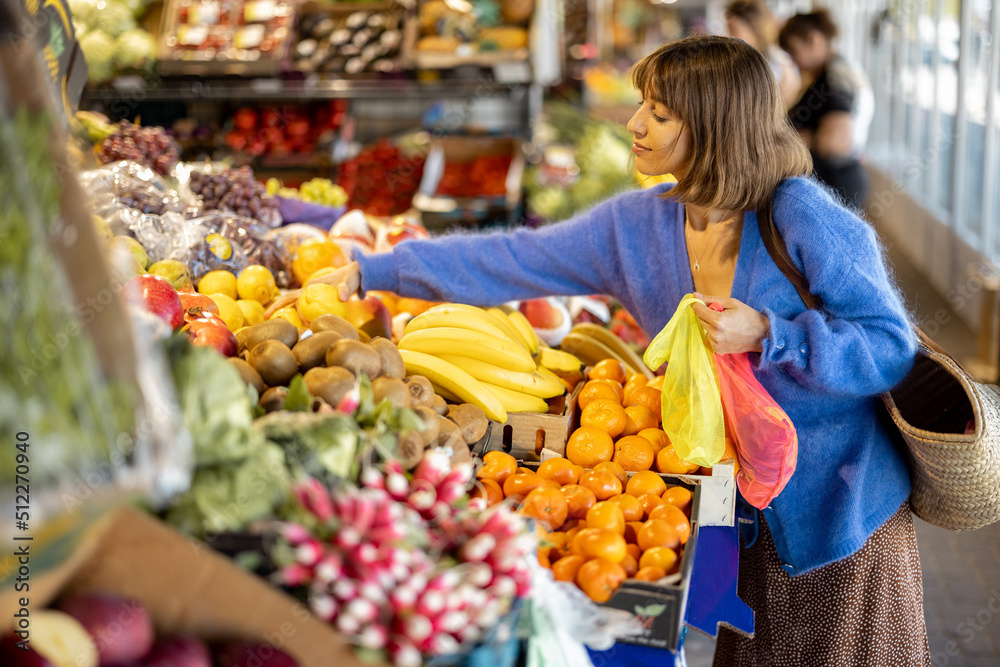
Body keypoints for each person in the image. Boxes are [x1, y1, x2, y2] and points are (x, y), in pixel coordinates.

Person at [271, 35, 928, 665]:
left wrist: (770, 333)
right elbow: (512, 257)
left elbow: (889, 346)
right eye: (642, 103)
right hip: (750, 518)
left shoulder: (799, 214)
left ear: (714, 127)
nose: (634, 123)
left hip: (844, 513)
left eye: (660, 112)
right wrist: (374, 270)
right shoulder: (637, 228)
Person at [779, 9, 875, 209]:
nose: (794, 62)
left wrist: (794, 138)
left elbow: (836, 141)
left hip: (836, 183)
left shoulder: (837, 76)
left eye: (795, 52)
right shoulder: (826, 74)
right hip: (830, 181)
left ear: (814, 40)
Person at [725, 0, 801, 109]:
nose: (729, 36)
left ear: (753, 27)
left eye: (733, 29)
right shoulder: (740, 61)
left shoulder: (779, 63)